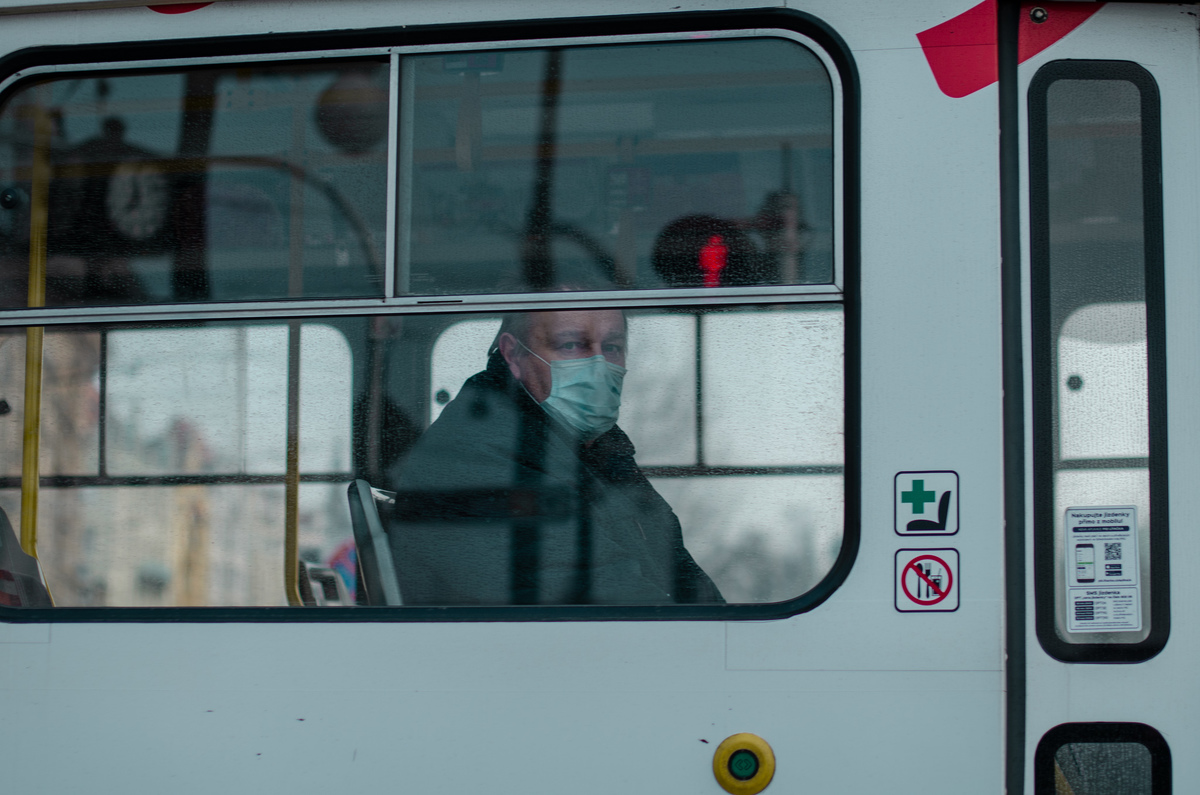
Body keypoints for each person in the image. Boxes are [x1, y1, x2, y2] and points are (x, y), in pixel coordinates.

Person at [387, 305, 723, 606]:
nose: (599, 365)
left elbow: (682, 581)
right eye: (571, 345)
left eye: (612, 347)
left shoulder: (595, 454)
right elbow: (603, 602)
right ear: (513, 354)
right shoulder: (472, 462)